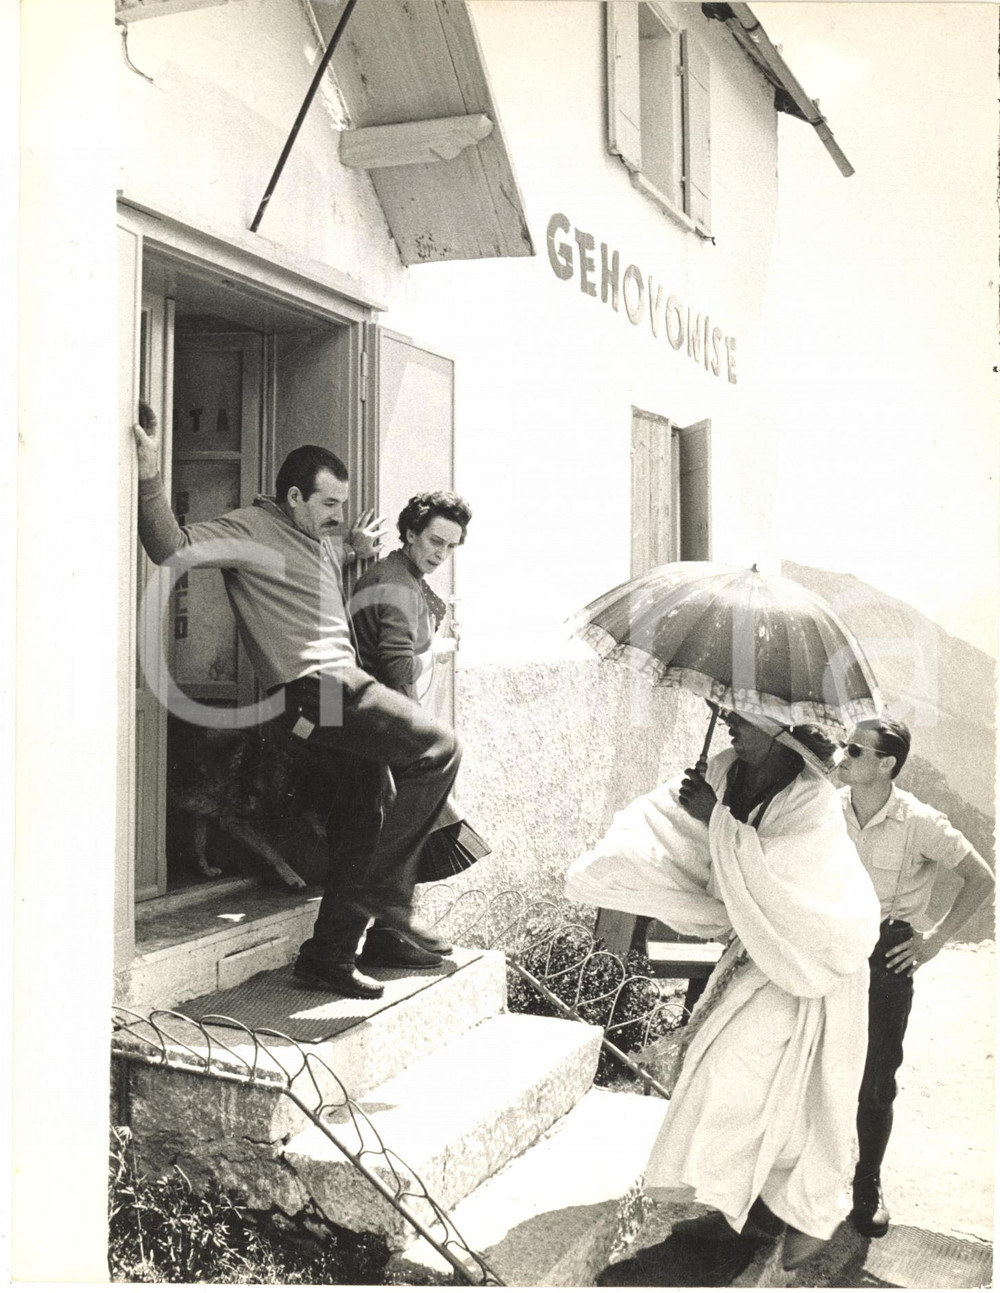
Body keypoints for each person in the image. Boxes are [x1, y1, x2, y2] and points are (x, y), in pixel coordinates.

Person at [132, 404, 461, 1000]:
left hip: (332, 693)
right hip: (313, 688)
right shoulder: (248, 530)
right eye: (330, 505)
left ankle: (329, 957)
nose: (338, 516)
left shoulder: (321, 540)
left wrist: (355, 548)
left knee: (369, 810)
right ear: (293, 497)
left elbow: (320, 580)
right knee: (439, 748)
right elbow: (171, 548)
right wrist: (150, 476)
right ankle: (390, 893)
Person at [565, 709, 880, 1271]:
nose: (729, 722)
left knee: (757, 1080)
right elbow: (672, 830)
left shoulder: (810, 799)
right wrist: (645, 847)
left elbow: (784, 882)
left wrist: (716, 821)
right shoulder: (724, 767)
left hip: (810, 959)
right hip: (758, 953)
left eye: (744, 718)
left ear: (782, 732)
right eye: (728, 712)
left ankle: (765, 1207)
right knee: (719, 1074)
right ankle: (736, 1203)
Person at [838, 717, 994, 1238]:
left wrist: (934, 941)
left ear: (886, 764)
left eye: (856, 750)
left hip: (886, 953)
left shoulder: (920, 821)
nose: (845, 755)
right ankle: (800, 1183)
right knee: (812, 1063)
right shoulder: (827, 809)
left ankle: (867, 1185)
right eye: (845, 745)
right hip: (830, 947)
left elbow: (981, 878)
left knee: (876, 1076)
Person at [330, 489, 489, 970]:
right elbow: (398, 667)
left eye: (451, 546)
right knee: (395, 833)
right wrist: (438, 650)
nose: (440, 554)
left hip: (385, 719)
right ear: (411, 533)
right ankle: (365, 938)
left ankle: (384, 936)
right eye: (434, 541)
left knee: (409, 827)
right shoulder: (396, 583)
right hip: (379, 722)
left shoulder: (401, 575)